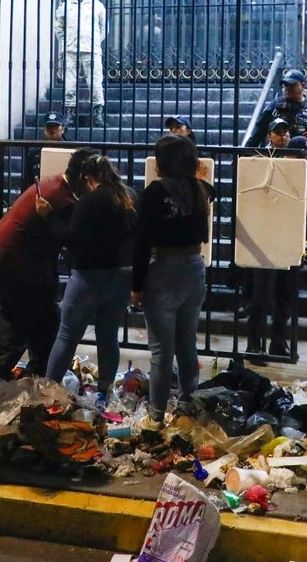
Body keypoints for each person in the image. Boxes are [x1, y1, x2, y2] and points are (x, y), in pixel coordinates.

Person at [0, 147, 100, 380]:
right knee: (44, 323)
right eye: (96, 182)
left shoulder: (54, 183)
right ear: (84, 178)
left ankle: (0, 373)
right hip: (18, 262)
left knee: (16, 318)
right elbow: (73, 240)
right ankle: (40, 377)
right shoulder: (63, 199)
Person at [131, 135, 214, 422]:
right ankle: (189, 408)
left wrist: (137, 284)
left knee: (161, 350)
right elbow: (211, 192)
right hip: (194, 267)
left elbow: (141, 242)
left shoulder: (154, 192)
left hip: (164, 268)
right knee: (187, 344)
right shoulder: (201, 189)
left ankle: (156, 415)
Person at [41, 154, 137, 397]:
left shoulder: (89, 201)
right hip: (123, 277)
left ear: (86, 178)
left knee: (67, 336)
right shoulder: (131, 197)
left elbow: (70, 238)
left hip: (88, 278)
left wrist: (49, 215)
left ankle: (49, 391)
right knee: (108, 336)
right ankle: (104, 393)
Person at [241, 120, 307, 358]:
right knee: (261, 297)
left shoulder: (304, 173)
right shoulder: (266, 169)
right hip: (266, 241)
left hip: (292, 240)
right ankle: (255, 344)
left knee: (285, 297)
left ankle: (278, 343)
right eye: (277, 132)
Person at [247, 69, 307, 166]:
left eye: (292, 85)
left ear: (303, 85)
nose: (287, 88)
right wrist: (243, 156)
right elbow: (258, 133)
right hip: (278, 159)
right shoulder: (275, 106)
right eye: (285, 86)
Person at [55, 0, 107, 126]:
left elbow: (103, 28)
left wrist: (94, 41)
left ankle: (98, 112)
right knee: (70, 82)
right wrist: (66, 42)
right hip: (71, 50)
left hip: (91, 49)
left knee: (95, 82)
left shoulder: (97, 6)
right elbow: (59, 27)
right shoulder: (65, 6)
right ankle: (69, 112)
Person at [23, 111, 68, 190]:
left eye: (56, 126)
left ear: (63, 129)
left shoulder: (70, 150)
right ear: (44, 130)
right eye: (49, 126)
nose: (52, 130)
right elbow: (29, 179)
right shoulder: (35, 153)